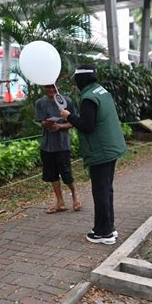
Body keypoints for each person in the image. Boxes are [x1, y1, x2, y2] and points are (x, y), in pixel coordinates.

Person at [60, 64, 127, 245]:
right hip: (110, 148)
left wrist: (68, 116)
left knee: (101, 191)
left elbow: (87, 126)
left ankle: (103, 232)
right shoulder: (101, 91)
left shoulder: (89, 98)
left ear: (81, 80)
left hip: (101, 151)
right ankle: (108, 228)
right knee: (106, 189)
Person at [35, 84, 82, 213]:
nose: (51, 90)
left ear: (58, 86)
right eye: (48, 87)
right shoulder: (40, 103)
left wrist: (60, 127)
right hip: (47, 145)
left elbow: (73, 122)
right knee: (52, 174)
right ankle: (60, 202)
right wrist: (47, 123)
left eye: (53, 87)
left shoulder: (67, 101)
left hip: (62, 144)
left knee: (66, 173)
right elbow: (41, 122)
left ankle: (75, 197)